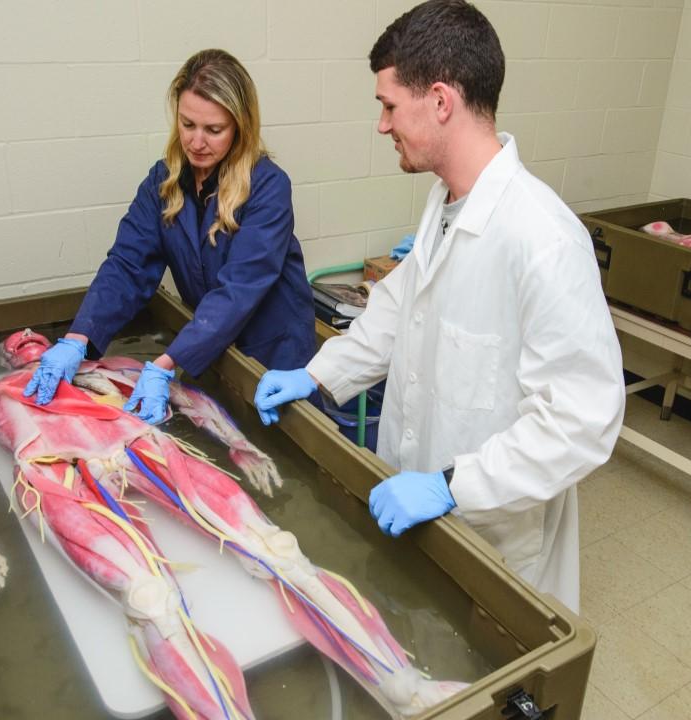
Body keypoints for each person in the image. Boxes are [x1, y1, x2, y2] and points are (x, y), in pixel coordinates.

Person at [253, 0, 624, 613]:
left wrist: (453, 486)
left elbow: (582, 419)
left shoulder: (544, 239)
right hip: (417, 503)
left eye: (389, 105)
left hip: (498, 538)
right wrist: (316, 374)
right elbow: (398, 312)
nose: (382, 124)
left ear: (441, 101)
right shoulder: (445, 204)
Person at [24, 49, 316, 424]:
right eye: (187, 124)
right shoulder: (163, 182)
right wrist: (79, 338)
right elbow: (128, 265)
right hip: (210, 343)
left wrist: (165, 364)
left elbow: (238, 290)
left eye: (214, 130)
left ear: (241, 128)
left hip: (274, 351)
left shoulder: (268, 187)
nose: (196, 142)